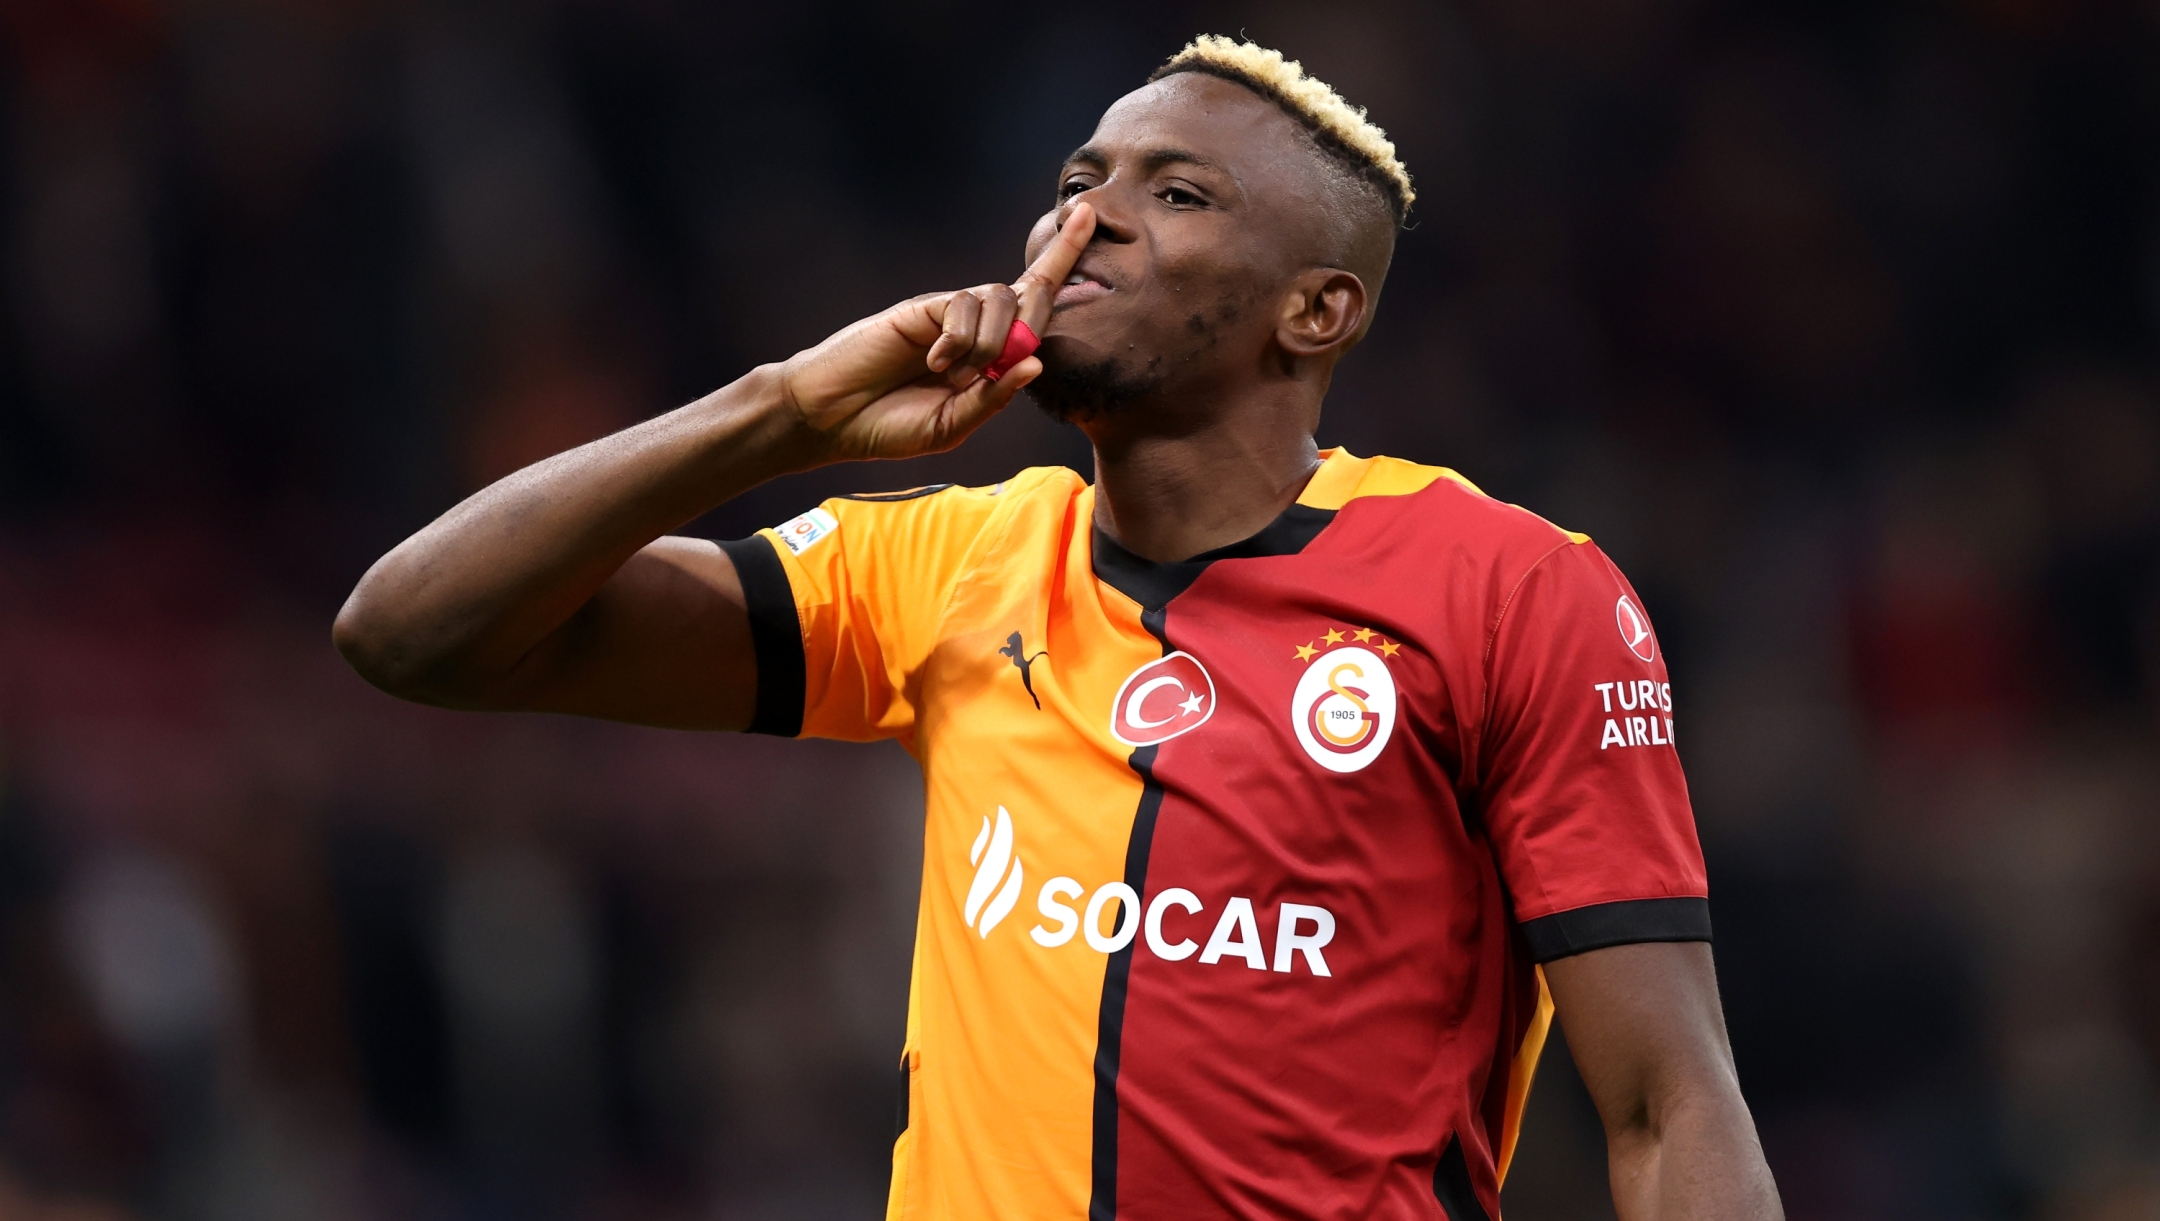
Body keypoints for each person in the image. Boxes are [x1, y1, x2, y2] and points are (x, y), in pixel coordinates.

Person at [335, 35, 1783, 1221]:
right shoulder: (951, 563)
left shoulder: (1511, 589)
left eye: (1179, 195)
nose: (1084, 221)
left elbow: (1667, 1103)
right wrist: (779, 412)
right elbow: (416, 633)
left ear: (1317, 310)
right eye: (1078, 180)